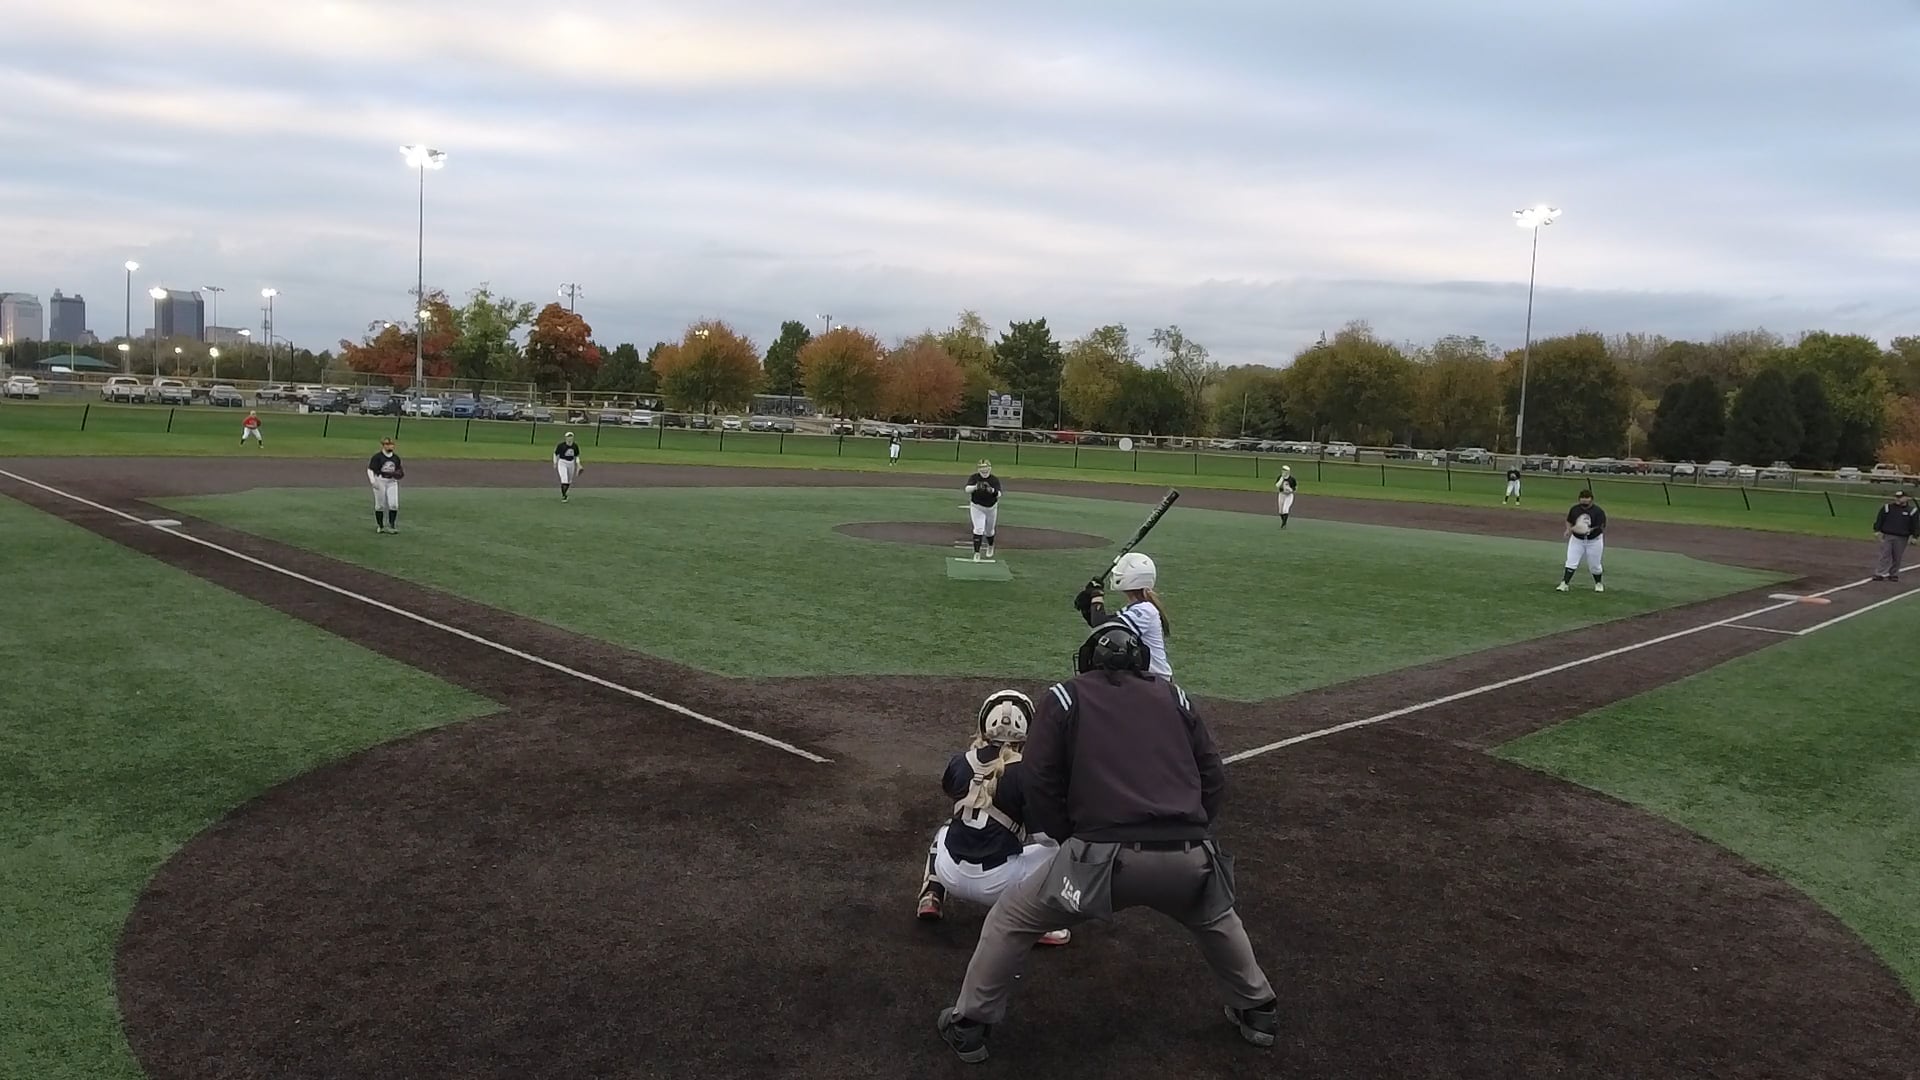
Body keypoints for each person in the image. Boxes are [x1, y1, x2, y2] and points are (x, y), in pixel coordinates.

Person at [934, 621, 1278, 1063]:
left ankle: (969, 1026)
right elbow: (1213, 774)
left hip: (1099, 862)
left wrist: (1066, 834)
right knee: (1216, 918)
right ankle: (1259, 1011)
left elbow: (1037, 775)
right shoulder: (1175, 696)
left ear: (1086, 661)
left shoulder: (1066, 696)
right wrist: (1192, 829)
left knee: (1011, 920)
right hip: (1186, 856)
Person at [915, 690, 1071, 947]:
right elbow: (1046, 837)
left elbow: (951, 788)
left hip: (950, 873)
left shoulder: (959, 761)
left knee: (946, 828)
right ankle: (1035, 924)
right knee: (1062, 850)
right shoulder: (1027, 773)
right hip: (998, 885)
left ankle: (932, 894)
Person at [1075, 551, 1171, 677]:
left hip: (1156, 682)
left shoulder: (1145, 610)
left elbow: (1101, 625)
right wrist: (1088, 608)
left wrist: (1097, 596)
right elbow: (1103, 628)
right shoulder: (1135, 609)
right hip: (1144, 678)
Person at [1558, 489, 1606, 592]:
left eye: (1586, 501)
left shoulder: (1598, 512)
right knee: (1571, 561)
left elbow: (1601, 526)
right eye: (1582, 500)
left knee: (1595, 565)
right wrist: (1568, 529)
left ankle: (1598, 583)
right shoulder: (1575, 509)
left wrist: (1587, 530)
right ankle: (1564, 583)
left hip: (1594, 541)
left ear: (1591, 500)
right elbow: (1569, 521)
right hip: (1577, 540)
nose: (1584, 503)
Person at [1871, 489, 1917, 582]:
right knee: (1885, 554)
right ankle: (1879, 573)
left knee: (1897, 556)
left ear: (1906, 498)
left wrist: (1915, 536)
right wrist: (1877, 530)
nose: (1897, 499)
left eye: (1900, 497)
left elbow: (1915, 524)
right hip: (1887, 535)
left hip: (1902, 537)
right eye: (1896, 497)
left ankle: (1893, 574)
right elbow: (1880, 519)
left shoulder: (1912, 511)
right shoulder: (1887, 508)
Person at [964, 460, 1002, 561]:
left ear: (990, 468)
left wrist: (991, 490)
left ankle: (990, 546)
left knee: (989, 531)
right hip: (977, 507)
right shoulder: (974, 478)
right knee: (978, 529)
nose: (984, 470)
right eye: (981, 468)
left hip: (991, 508)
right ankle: (977, 553)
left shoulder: (994, 479)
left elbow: (999, 494)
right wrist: (976, 487)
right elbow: (967, 489)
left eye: (986, 467)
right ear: (978, 469)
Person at [367, 437, 404, 534]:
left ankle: (392, 525)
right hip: (380, 481)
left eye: (391, 444)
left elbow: (399, 470)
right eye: (387, 444)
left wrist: (399, 474)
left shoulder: (396, 458)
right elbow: (370, 469)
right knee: (380, 505)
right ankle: (380, 526)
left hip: (392, 481)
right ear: (383, 445)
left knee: (394, 504)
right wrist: (373, 481)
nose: (389, 446)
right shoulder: (377, 457)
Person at [553, 432, 584, 501]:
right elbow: (555, 453)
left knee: (569, 480)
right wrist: (555, 462)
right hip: (562, 462)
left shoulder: (575, 446)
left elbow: (576, 456)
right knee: (564, 479)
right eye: (568, 437)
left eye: (571, 437)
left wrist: (578, 464)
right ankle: (564, 496)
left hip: (571, 463)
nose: (569, 438)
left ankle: (565, 493)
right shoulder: (561, 445)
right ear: (566, 438)